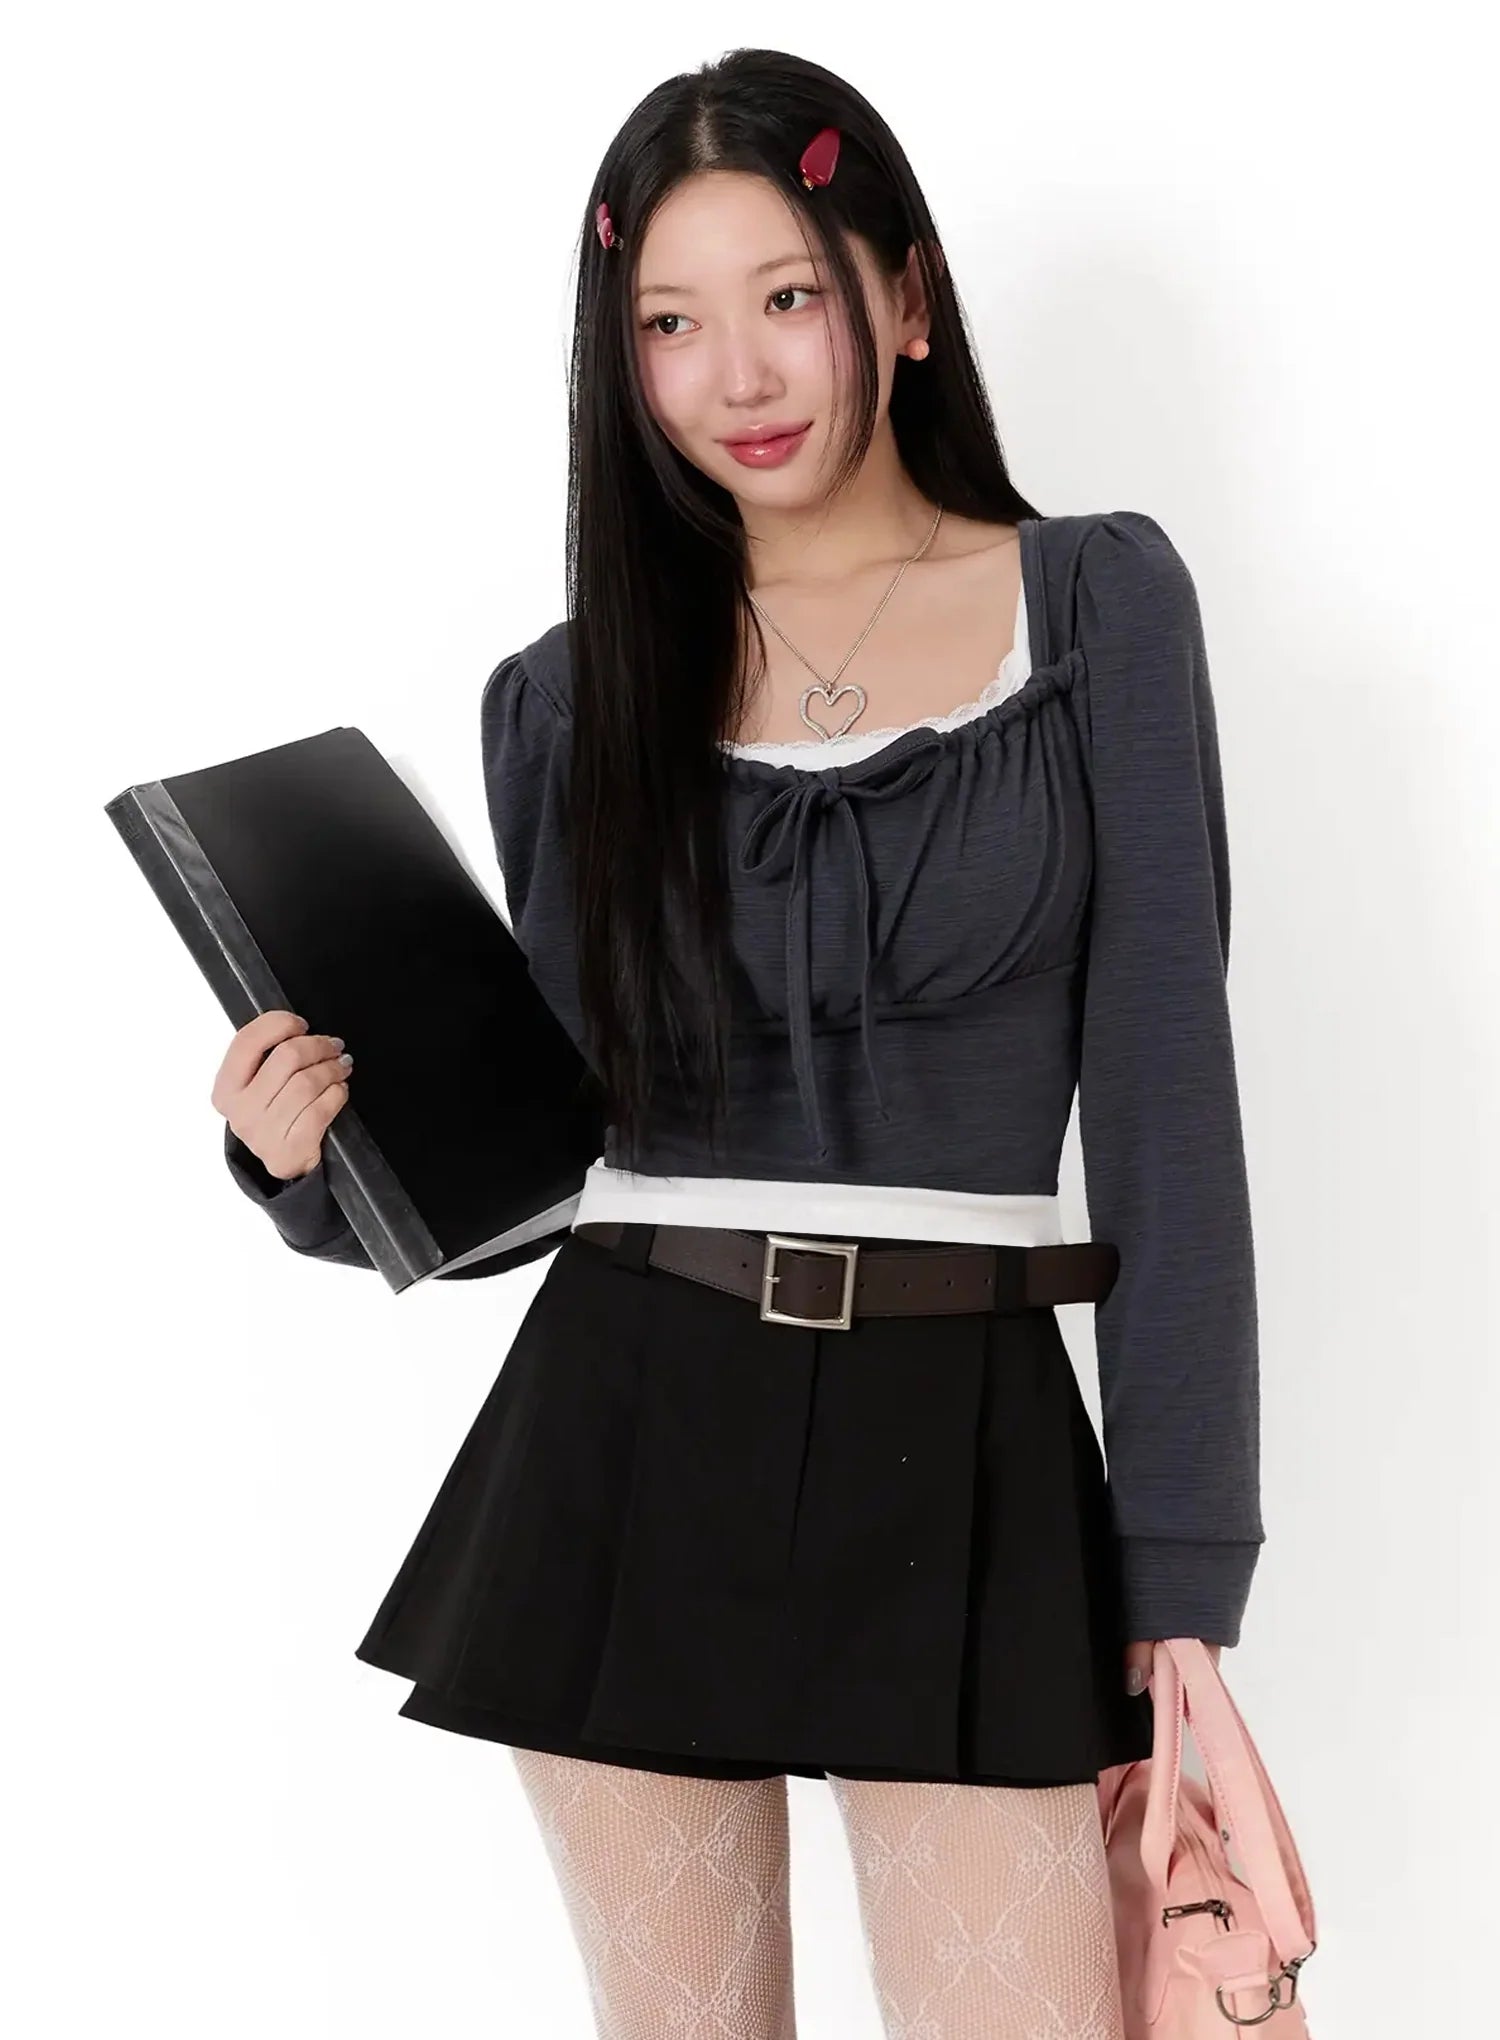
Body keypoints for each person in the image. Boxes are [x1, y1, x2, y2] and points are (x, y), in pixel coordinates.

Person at [212, 46, 1263, 2040]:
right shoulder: (568, 698)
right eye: (669, 325)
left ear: (906, 296)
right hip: (633, 1419)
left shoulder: (1095, 608)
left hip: (965, 1432)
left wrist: (1185, 1567)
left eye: (787, 295)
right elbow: (547, 1153)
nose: (738, 376)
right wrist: (302, 1163)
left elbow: (1167, 1110)